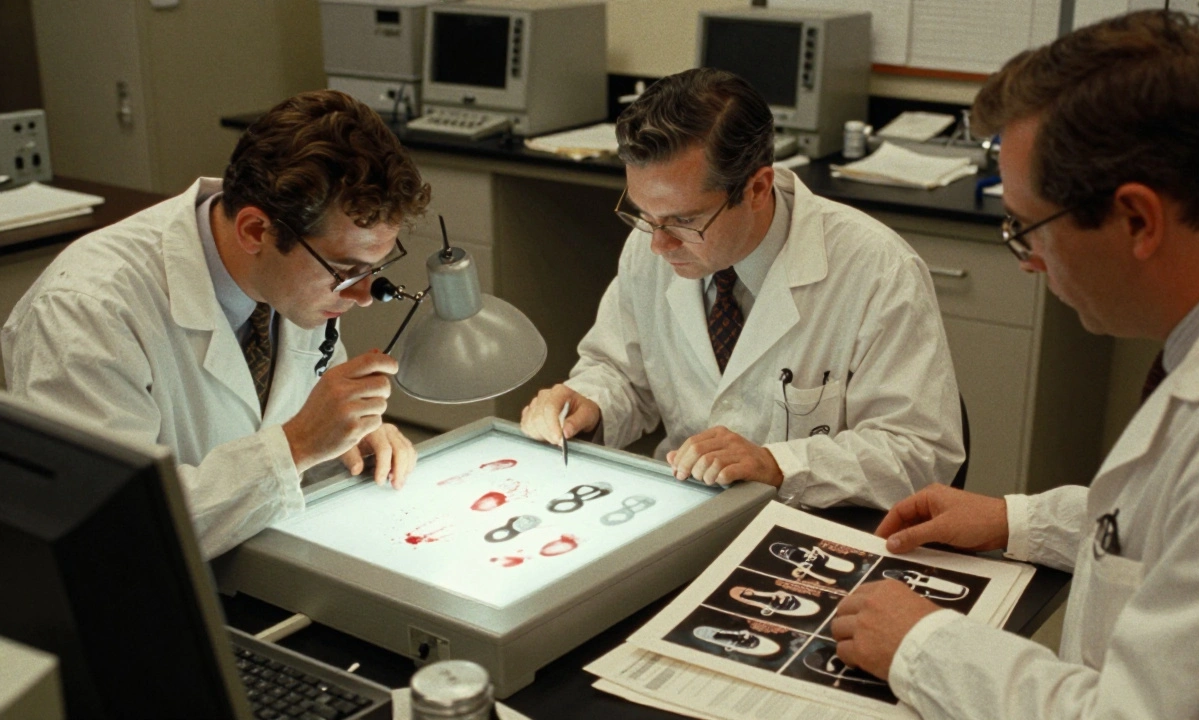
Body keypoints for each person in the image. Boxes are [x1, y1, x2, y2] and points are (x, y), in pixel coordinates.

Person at [831, 11, 1199, 718]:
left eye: (1026, 227)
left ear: (1137, 220)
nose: (1029, 261)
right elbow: (1180, 527)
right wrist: (1021, 521)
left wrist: (921, 644)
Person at [2, 90, 432, 558]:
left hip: (260, 560)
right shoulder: (86, 311)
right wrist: (299, 445)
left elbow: (285, 415)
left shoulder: (293, 278)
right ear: (254, 230)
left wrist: (348, 439)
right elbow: (108, 529)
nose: (363, 295)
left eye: (372, 268)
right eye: (345, 270)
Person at [520, 68, 964, 509]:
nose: (658, 243)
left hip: (815, 525)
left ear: (757, 188)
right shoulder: (652, 243)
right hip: (686, 505)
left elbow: (920, 453)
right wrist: (589, 404)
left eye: (683, 221)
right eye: (643, 214)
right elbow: (623, 375)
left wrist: (777, 465)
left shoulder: (878, 271)